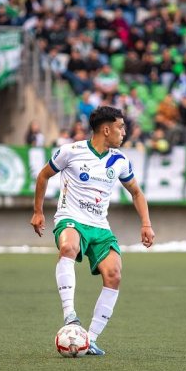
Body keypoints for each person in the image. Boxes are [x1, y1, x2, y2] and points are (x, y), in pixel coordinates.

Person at [30, 106, 155, 356]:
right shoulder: (71, 151)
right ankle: (70, 316)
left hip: (100, 226)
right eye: (120, 127)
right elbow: (43, 176)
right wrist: (38, 211)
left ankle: (90, 339)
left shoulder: (119, 160)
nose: (124, 132)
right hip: (70, 218)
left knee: (114, 274)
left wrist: (146, 224)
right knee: (68, 247)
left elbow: (137, 192)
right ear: (106, 129)